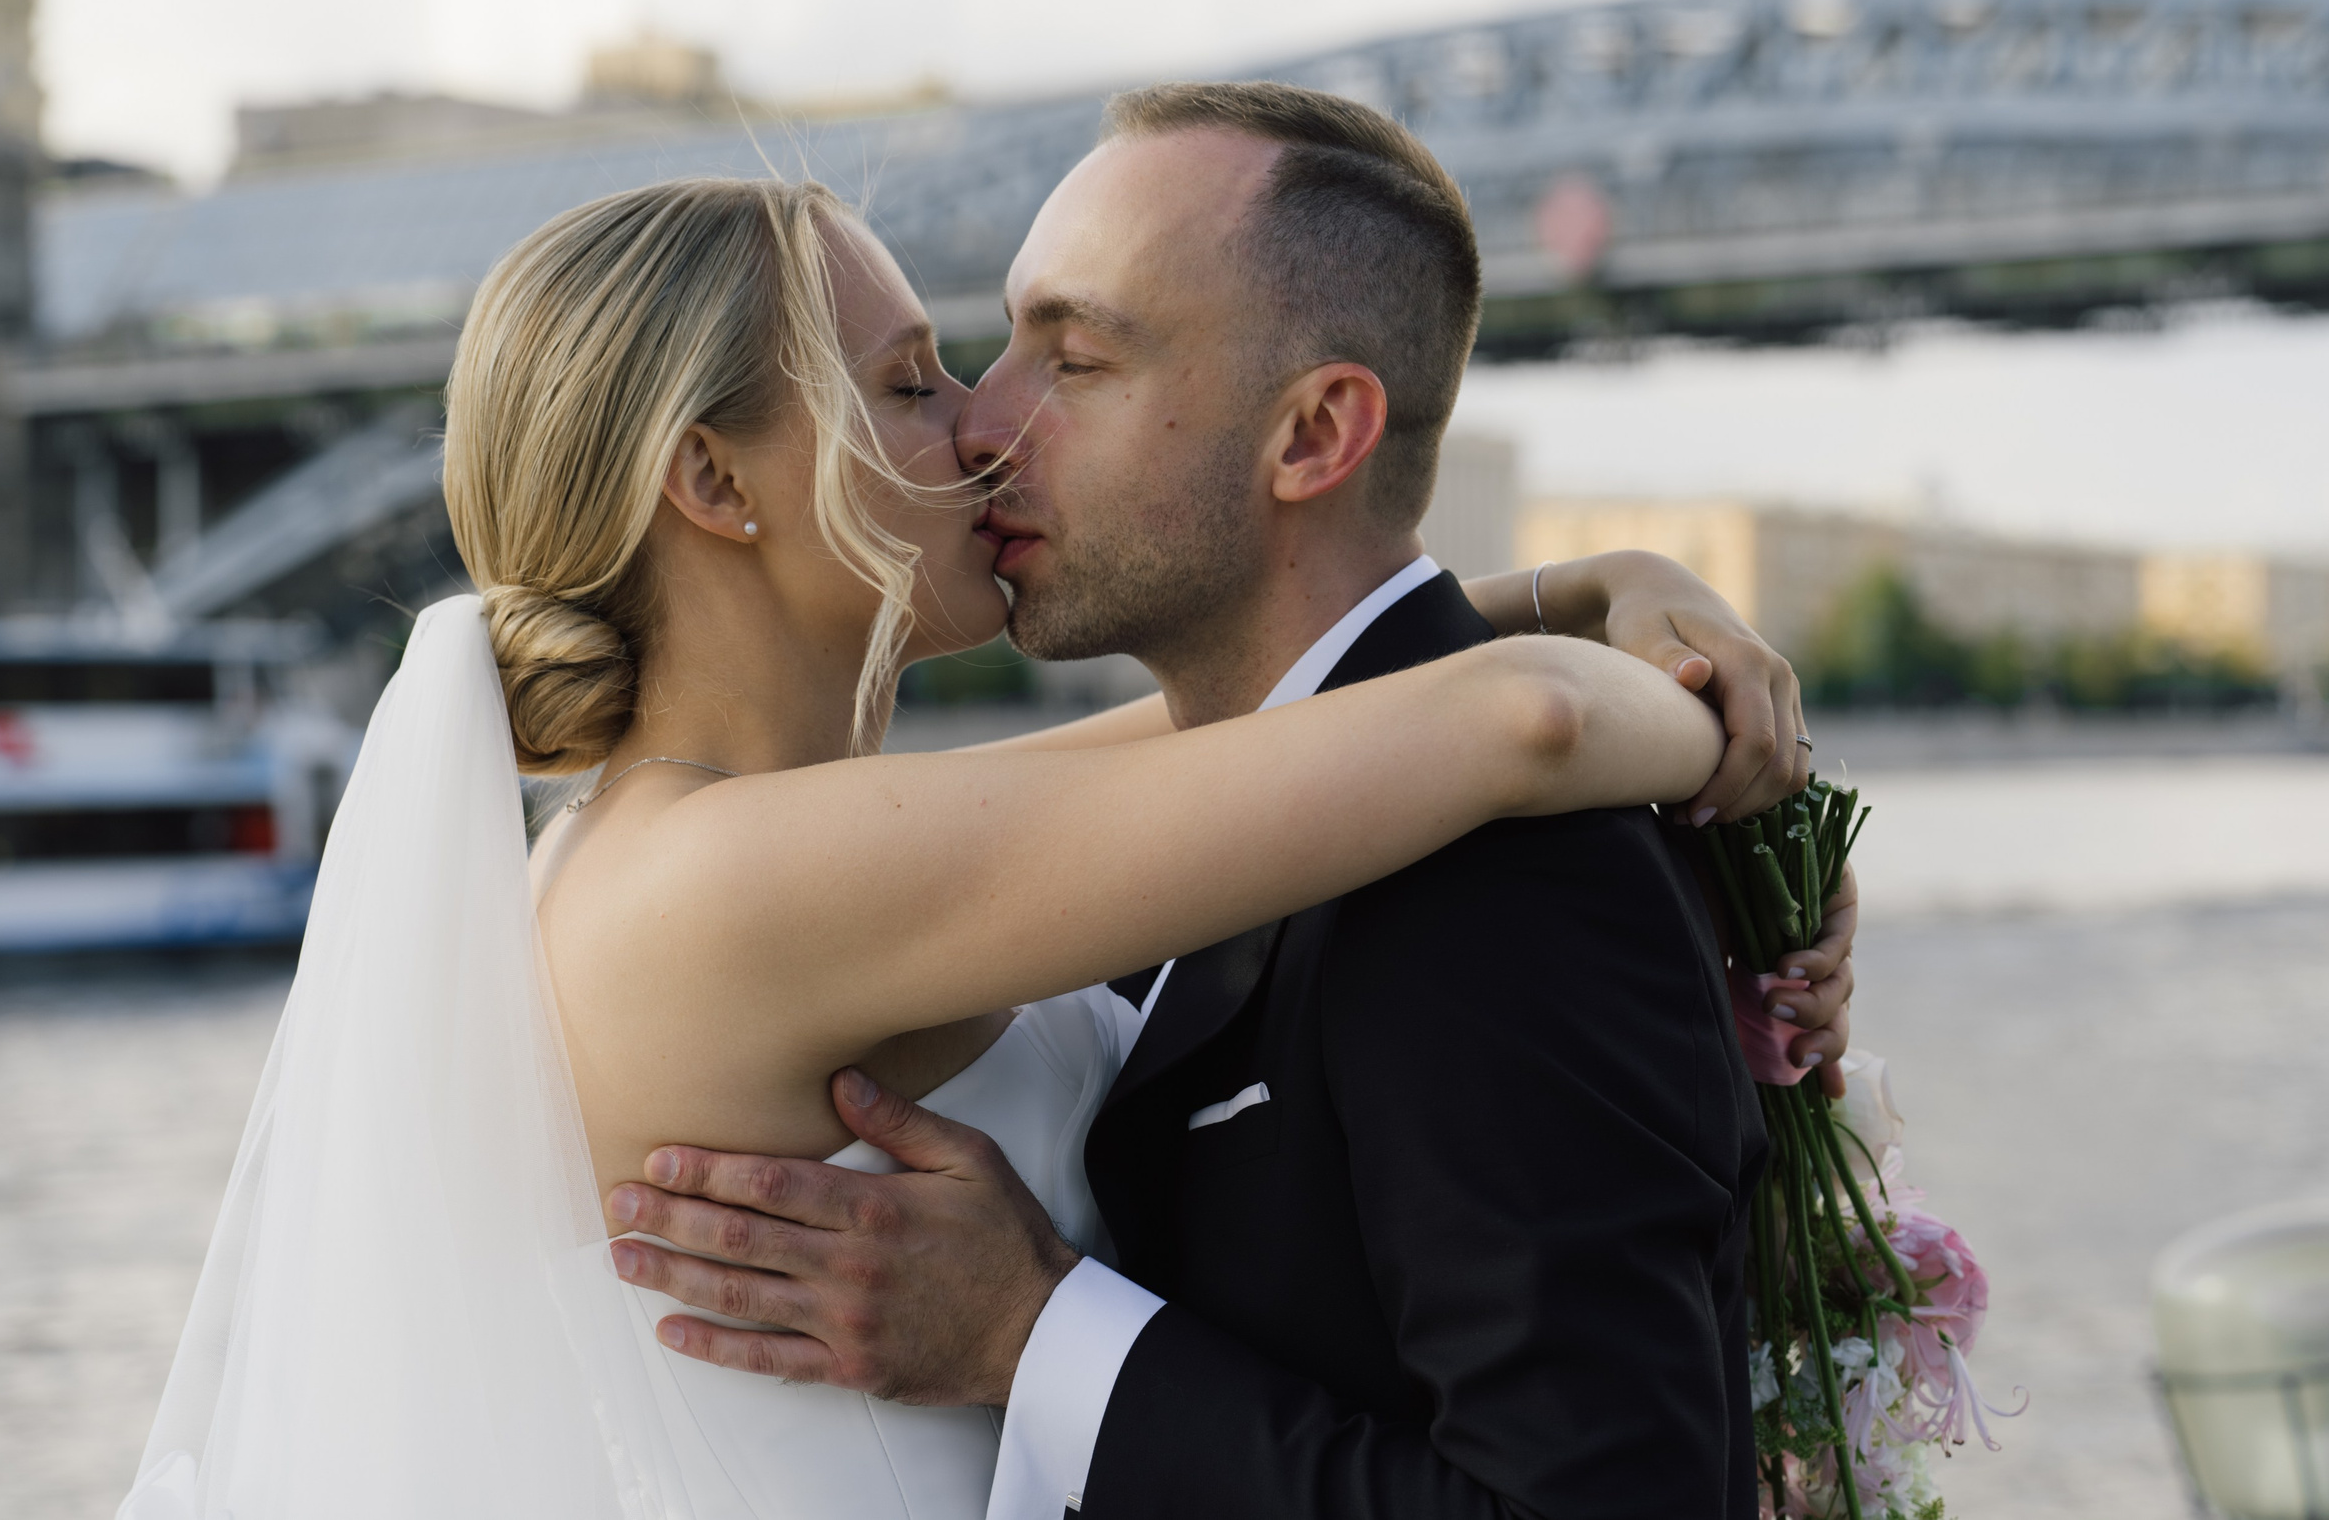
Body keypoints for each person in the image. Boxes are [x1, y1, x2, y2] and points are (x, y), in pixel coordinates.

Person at [119, 157, 1844, 1520]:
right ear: (718, 485)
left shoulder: (723, 842)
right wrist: (1734, 755)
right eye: (907, 381)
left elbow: (1270, 731)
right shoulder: (726, 887)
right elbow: (1522, 726)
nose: (982, 426)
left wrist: (1592, 587)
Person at [602, 84, 1856, 1520]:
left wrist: (1032, 1331)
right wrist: (1646, 652)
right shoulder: (1188, 821)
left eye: (1073, 360)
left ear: (1313, 435)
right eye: (973, 358)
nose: (984, 426)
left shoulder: (1499, 876)